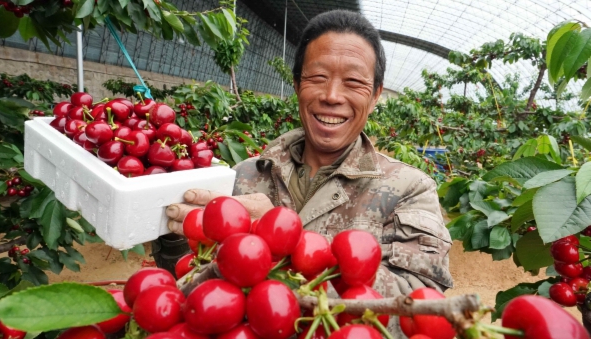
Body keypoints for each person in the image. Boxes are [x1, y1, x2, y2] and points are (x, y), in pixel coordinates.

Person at [165, 9, 452, 337]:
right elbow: (191, 289)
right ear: (297, 84)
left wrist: (282, 243)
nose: (331, 96)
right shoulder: (243, 175)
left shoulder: (409, 188)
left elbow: (419, 309)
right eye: (317, 77)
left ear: (374, 96)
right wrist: (169, 231)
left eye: (354, 82)